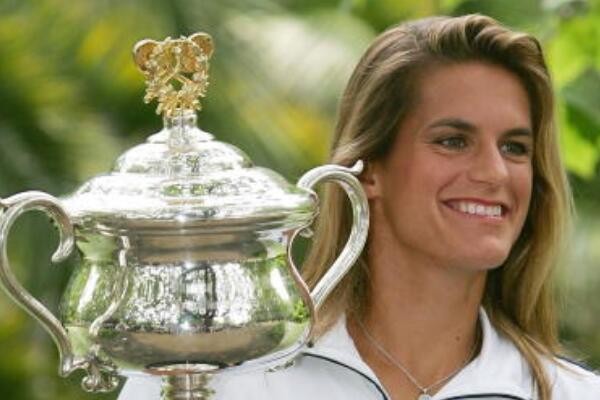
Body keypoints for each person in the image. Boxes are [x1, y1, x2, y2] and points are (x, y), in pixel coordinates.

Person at [119, 13, 600, 400]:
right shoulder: (213, 377)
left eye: (515, 148)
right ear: (368, 172)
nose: (495, 173)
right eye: (453, 141)